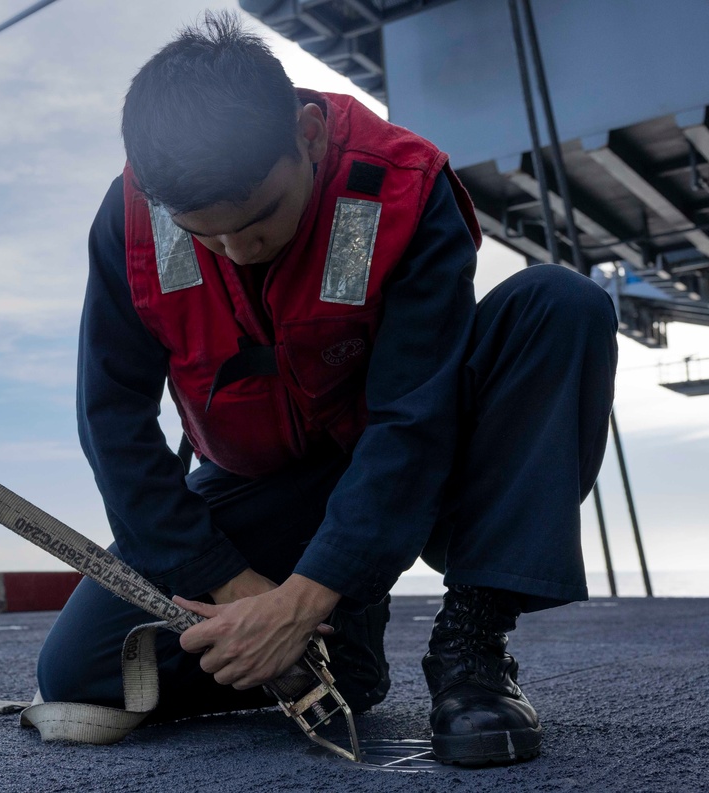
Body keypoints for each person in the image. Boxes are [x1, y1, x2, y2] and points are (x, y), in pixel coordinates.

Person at [33, 11, 617, 766]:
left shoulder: (401, 188)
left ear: (309, 132)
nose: (237, 251)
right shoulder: (132, 220)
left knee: (560, 305)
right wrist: (237, 589)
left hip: (423, 448)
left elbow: (413, 417)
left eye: (261, 217)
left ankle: (472, 650)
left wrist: (309, 593)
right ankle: (341, 652)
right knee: (79, 671)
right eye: (206, 233)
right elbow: (113, 423)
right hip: (271, 484)